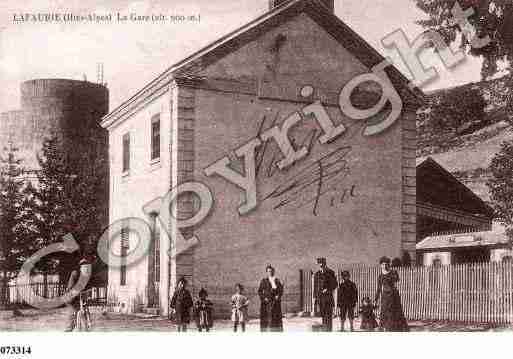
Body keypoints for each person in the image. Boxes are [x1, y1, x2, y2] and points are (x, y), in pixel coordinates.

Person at [374, 256, 409, 332]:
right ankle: (385, 327)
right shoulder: (380, 276)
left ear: (388, 265)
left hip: (393, 295)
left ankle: (395, 327)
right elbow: (379, 288)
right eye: (383, 264)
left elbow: (397, 279)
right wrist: (375, 300)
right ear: (380, 265)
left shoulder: (393, 272)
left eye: (386, 264)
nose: (384, 266)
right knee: (384, 311)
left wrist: (390, 273)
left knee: (394, 311)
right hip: (385, 296)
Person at [64, 252, 94, 332]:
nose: (86, 269)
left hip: (81, 296)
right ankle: (69, 328)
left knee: (85, 309)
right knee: (73, 311)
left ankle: (88, 324)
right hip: (72, 296)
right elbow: (70, 287)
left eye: (87, 267)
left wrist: (89, 291)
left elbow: (89, 287)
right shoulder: (75, 274)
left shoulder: (87, 276)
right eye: (84, 267)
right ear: (80, 267)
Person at [313, 257, 337, 331]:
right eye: (320, 265)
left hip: (328, 298)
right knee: (323, 316)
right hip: (321, 299)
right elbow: (315, 287)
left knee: (328, 317)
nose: (321, 266)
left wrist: (328, 289)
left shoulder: (330, 272)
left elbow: (335, 284)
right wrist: (315, 298)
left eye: (322, 265)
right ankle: (324, 331)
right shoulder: (317, 274)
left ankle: (329, 331)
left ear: (325, 264)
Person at [258, 265, 283, 331]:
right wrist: (264, 298)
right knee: (268, 318)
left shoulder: (277, 280)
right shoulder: (264, 281)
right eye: (269, 271)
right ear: (267, 272)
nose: (270, 272)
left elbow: (281, 290)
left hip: (275, 302)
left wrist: (279, 295)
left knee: (276, 318)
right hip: (267, 303)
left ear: (274, 272)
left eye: (271, 271)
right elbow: (260, 291)